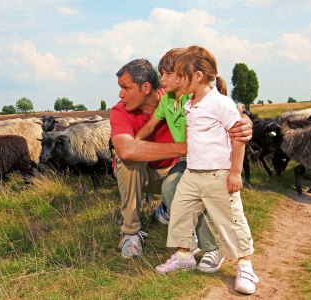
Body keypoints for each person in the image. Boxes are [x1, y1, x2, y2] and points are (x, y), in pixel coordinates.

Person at [110, 58, 252, 262]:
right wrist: (186, 147)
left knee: (183, 181)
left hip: (178, 169)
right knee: (127, 162)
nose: (120, 94)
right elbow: (126, 149)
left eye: (125, 87)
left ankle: (206, 244)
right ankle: (131, 233)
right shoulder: (120, 111)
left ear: (146, 87)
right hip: (145, 176)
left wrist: (244, 122)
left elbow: (218, 108)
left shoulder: (181, 98)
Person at [153, 46, 259, 295]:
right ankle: (184, 255)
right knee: (180, 212)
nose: (177, 80)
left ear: (198, 76)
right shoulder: (190, 103)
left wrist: (235, 172)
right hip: (193, 172)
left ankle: (245, 265)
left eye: (180, 75)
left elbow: (238, 137)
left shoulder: (221, 103)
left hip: (218, 174)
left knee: (231, 219)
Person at [135, 48, 224, 273]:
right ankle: (190, 240)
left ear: (183, 75)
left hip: (207, 160)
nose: (161, 79)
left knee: (185, 190)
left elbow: (218, 109)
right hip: (188, 159)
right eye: (161, 74)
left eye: (167, 74)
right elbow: (150, 126)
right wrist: (133, 143)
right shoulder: (167, 102)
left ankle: (212, 248)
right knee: (170, 187)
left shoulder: (190, 98)